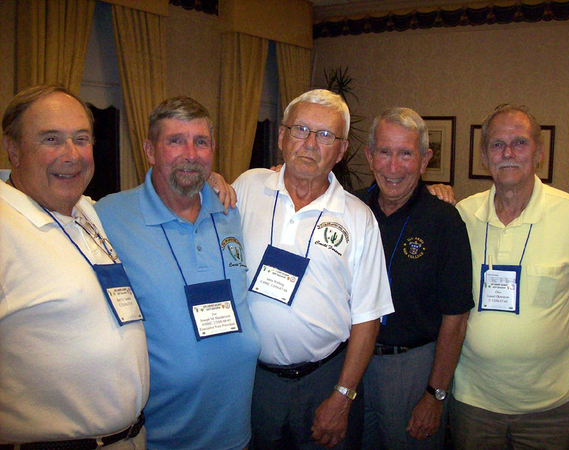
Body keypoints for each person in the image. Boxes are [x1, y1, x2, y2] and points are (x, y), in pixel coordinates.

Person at [231, 89, 394, 450]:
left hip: (325, 378)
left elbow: (367, 318)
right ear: (282, 137)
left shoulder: (358, 218)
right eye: (301, 129)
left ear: (340, 151)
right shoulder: (246, 187)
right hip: (255, 381)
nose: (309, 143)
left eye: (325, 136)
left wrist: (343, 395)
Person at [95, 96, 260, 450]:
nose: (190, 153)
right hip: (163, 436)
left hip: (237, 433)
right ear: (149, 150)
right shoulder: (108, 217)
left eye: (201, 142)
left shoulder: (230, 209)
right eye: (175, 141)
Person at [0, 85, 148, 448]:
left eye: (81, 139)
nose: (72, 155)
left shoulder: (89, 212)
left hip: (131, 438)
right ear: (14, 149)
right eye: (52, 139)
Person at [451, 104, 569, 449]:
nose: (507, 153)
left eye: (519, 143)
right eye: (496, 145)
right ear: (485, 157)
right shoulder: (462, 215)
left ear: (539, 154)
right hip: (474, 402)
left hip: (556, 406)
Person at [355, 107, 473, 450]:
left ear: (424, 160)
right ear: (369, 156)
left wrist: (435, 395)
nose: (393, 167)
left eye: (405, 154)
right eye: (384, 152)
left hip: (412, 368)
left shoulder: (444, 221)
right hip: (351, 364)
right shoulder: (350, 208)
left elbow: (456, 320)